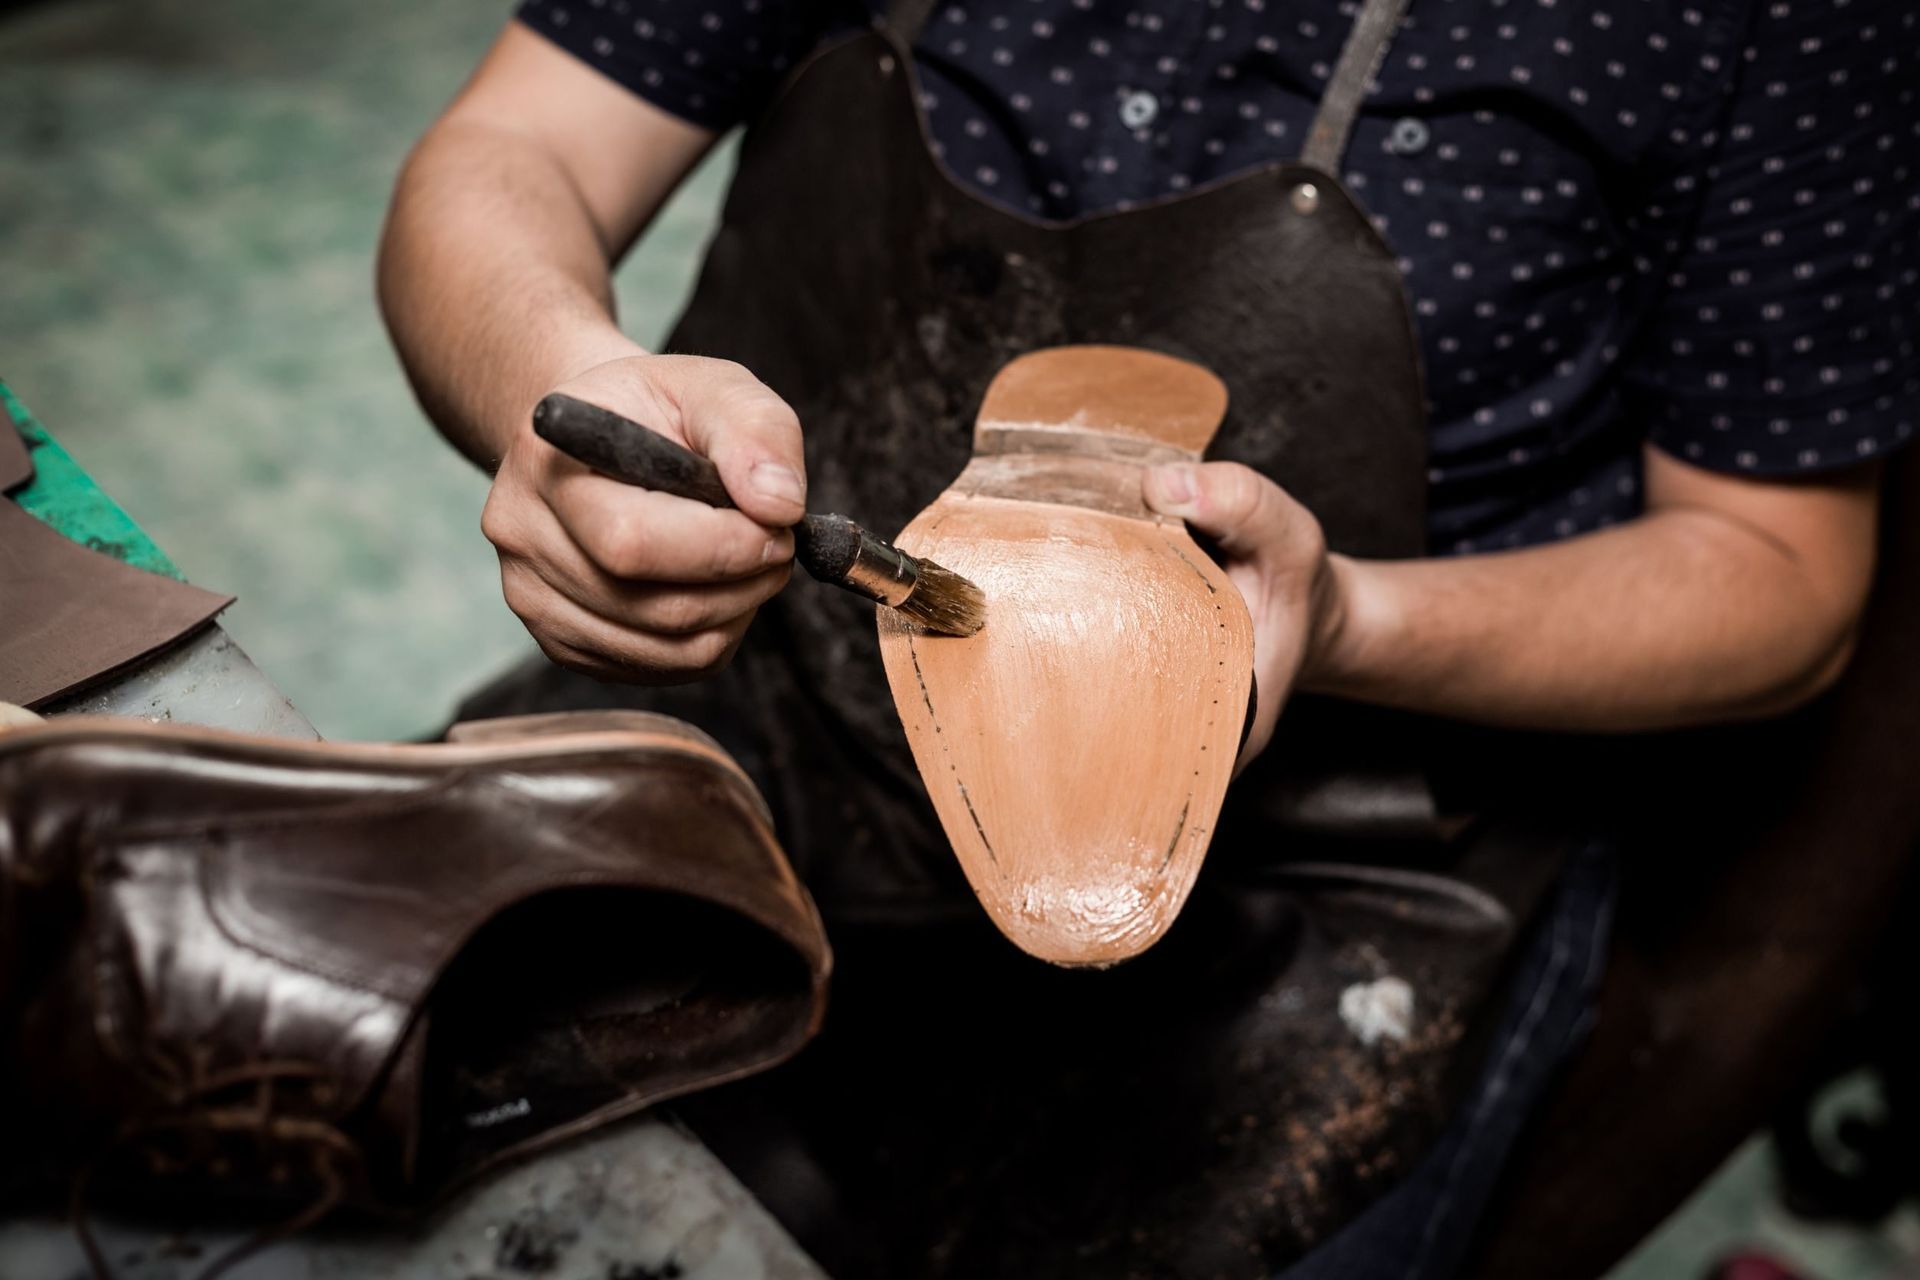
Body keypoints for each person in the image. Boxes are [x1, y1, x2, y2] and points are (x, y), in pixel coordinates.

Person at [377, 0, 1917, 1276]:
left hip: (1348, 864)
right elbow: (515, 153)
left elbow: (1776, 575)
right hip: (763, 710)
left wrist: (1354, 618)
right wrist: (558, 383)